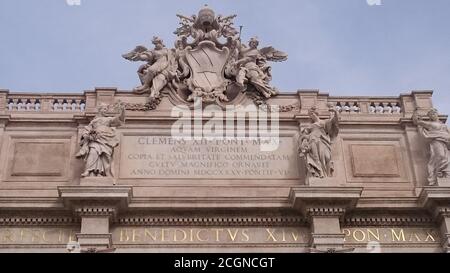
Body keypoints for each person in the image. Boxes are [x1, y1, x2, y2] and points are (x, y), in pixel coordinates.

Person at [76, 104, 125, 177]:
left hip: (106, 140)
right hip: (95, 140)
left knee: (105, 157)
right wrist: (88, 136)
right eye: (104, 109)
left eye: (106, 109)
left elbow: (118, 120)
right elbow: (87, 130)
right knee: (93, 153)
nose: (106, 111)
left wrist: (122, 111)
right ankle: (88, 171)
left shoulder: (108, 119)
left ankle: (103, 172)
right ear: (100, 110)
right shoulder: (94, 121)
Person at [298, 106, 339, 178]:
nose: (310, 116)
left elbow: (334, 121)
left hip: (322, 142)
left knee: (327, 157)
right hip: (312, 142)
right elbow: (302, 136)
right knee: (315, 158)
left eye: (311, 114)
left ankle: (327, 174)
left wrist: (336, 112)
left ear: (314, 114)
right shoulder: (310, 126)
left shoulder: (324, 122)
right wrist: (302, 144)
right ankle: (320, 174)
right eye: (310, 115)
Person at [413, 108, 450, 185]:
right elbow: (417, 122)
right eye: (431, 114)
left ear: (437, 114)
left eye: (434, 113)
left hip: (445, 142)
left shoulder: (443, 125)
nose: (433, 115)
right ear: (429, 116)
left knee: (446, 158)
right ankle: (439, 172)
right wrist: (415, 114)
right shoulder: (429, 124)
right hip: (436, 141)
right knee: (440, 155)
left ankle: (445, 173)